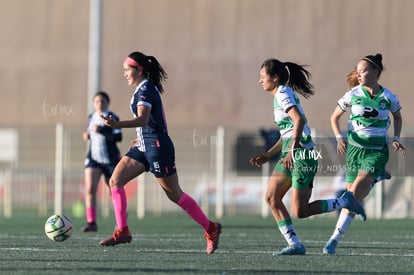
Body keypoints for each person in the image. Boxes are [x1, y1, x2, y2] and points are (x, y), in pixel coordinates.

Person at [98, 51, 222, 254]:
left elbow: (143, 119)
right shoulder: (141, 88)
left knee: (174, 195)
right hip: (143, 146)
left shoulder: (146, 89)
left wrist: (117, 124)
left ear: (139, 70)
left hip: (158, 148)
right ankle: (122, 231)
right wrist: (141, 135)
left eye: (127, 70)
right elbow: (148, 123)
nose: (124, 74)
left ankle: (211, 228)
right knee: (115, 181)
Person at [249, 58, 365, 256]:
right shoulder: (279, 94)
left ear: (275, 78)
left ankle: (344, 202)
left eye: (262, 77)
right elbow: (287, 131)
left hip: (301, 154)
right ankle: (295, 244)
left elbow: (299, 120)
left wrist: (293, 149)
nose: (260, 80)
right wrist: (268, 154)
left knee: (300, 211)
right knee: (271, 198)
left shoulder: (283, 93)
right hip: (291, 152)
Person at [323, 53, 406, 255]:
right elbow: (334, 117)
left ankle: (333, 239)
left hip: (376, 151)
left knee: (354, 193)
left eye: (363, 70)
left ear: (375, 72)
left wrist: (396, 138)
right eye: (357, 71)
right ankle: (334, 240)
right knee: (354, 197)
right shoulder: (352, 94)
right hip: (354, 151)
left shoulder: (389, 97)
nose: (358, 74)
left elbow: (397, 117)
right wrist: (338, 137)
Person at [81, 91, 122, 232]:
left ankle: (121, 220)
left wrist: (103, 131)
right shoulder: (91, 117)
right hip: (94, 158)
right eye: (97, 101)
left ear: (107, 103)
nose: (99, 104)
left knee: (114, 190)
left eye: (102, 101)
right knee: (90, 189)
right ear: (93, 103)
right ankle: (91, 222)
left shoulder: (113, 117)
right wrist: (88, 135)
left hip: (110, 159)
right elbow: (92, 133)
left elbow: (118, 137)